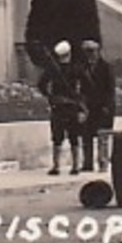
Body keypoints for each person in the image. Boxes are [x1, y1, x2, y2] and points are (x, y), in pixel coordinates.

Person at [39, 40, 86, 175]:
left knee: (59, 137)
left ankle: (57, 166)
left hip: (60, 106)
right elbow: (86, 86)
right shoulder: (76, 68)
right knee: (72, 137)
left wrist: (50, 96)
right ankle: (75, 166)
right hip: (69, 106)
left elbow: (42, 84)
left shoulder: (53, 69)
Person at [76, 38, 117, 173]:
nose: (90, 54)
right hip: (89, 107)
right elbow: (81, 89)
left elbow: (110, 90)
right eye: (87, 52)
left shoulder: (106, 68)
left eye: (92, 51)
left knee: (102, 137)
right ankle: (87, 163)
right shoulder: (83, 68)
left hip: (103, 107)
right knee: (86, 136)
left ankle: (103, 163)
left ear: (98, 52)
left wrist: (107, 106)